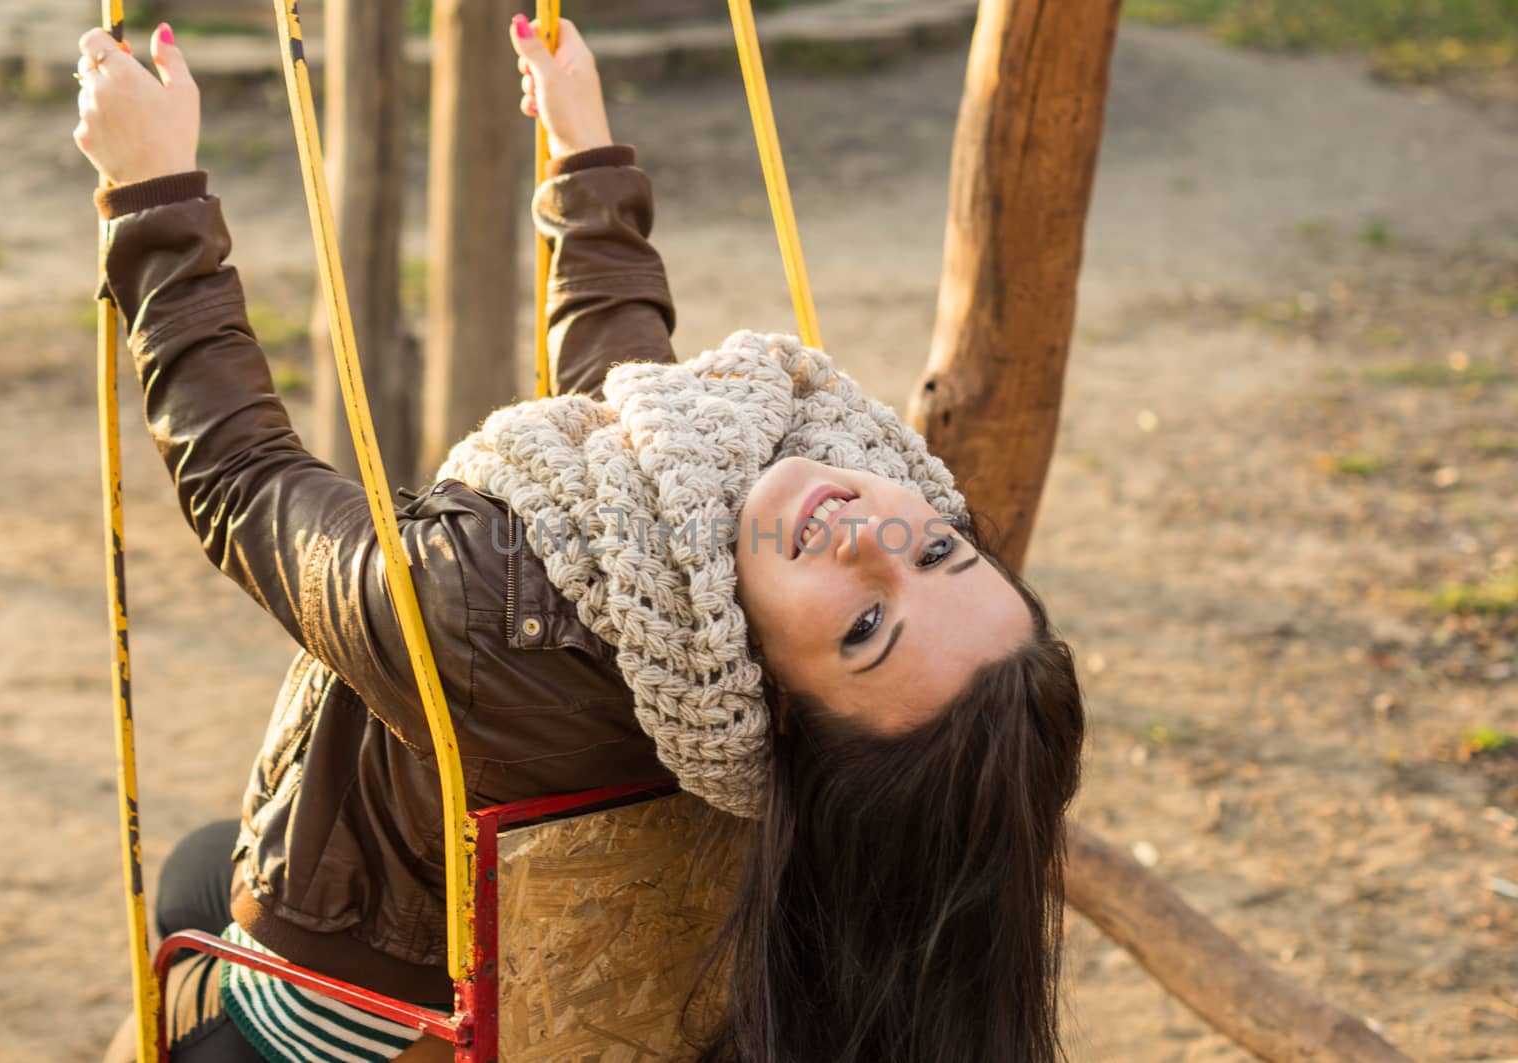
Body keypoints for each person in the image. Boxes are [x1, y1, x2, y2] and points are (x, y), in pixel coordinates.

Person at [76, 13, 1085, 1063]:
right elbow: (634, 416)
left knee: (184, 945)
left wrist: (152, 199)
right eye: (939, 553)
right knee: (202, 860)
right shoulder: (730, 532)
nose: (869, 531)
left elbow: (246, 481)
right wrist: (585, 159)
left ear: (779, 716)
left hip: (360, 979)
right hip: (405, 877)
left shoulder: (470, 616)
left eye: (868, 626)